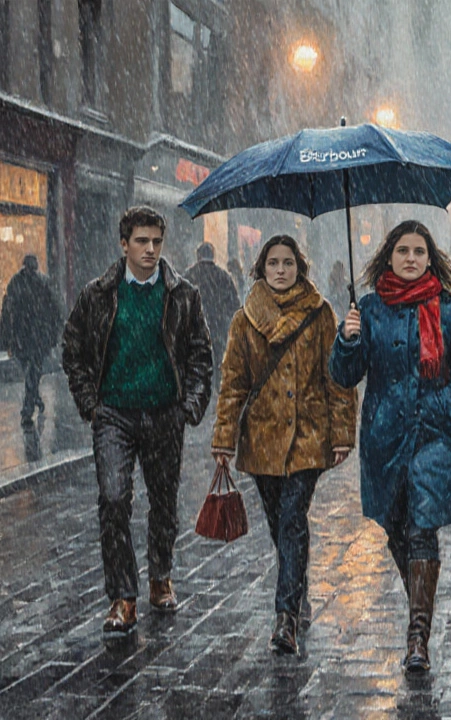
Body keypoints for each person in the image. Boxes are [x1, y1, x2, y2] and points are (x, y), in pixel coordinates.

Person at [329, 219, 451, 674]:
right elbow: (345, 375)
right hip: (383, 439)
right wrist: (348, 340)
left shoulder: (449, 309)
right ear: (389, 257)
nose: (411, 258)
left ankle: (418, 638)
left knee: (421, 528)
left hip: (433, 437)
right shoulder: (369, 309)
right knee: (395, 527)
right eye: (403, 251)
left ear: (430, 258)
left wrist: (443, 404)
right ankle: (421, 597)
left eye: (419, 251)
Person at [61, 206, 213, 634]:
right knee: (113, 499)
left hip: (165, 413)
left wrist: (190, 406)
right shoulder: (98, 294)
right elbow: (72, 349)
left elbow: (201, 354)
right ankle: (122, 598)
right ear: (123, 244)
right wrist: (90, 402)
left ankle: (160, 576)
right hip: (114, 414)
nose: (150, 250)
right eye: (141, 241)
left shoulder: (182, 294)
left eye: (156, 242)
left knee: (163, 502)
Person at [211, 235, 357, 655]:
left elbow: (337, 379)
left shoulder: (320, 314)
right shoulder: (245, 320)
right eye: (273, 263)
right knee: (279, 525)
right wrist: (224, 438)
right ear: (262, 268)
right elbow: (233, 384)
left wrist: (342, 433)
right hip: (261, 438)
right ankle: (298, 586)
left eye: (288, 263)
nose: (280, 270)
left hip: (307, 436)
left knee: (292, 519)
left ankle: (285, 617)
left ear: (299, 268)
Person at [0, 254, 64, 428]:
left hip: (26, 338)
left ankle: (27, 410)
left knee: (31, 372)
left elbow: (7, 310)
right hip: (34, 338)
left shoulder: (18, 283)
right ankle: (34, 398)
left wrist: (8, 335)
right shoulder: (41, 283)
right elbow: (55, 310)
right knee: (33, 373)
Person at [185, 243, 242, 391]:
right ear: (213, 256)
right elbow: (234, 305)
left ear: (198, 256)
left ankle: (201, 390)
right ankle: (218, 390)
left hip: (196, 329)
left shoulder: (190, 276)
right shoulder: (223, 277)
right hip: (218, 328)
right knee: (218, 361)